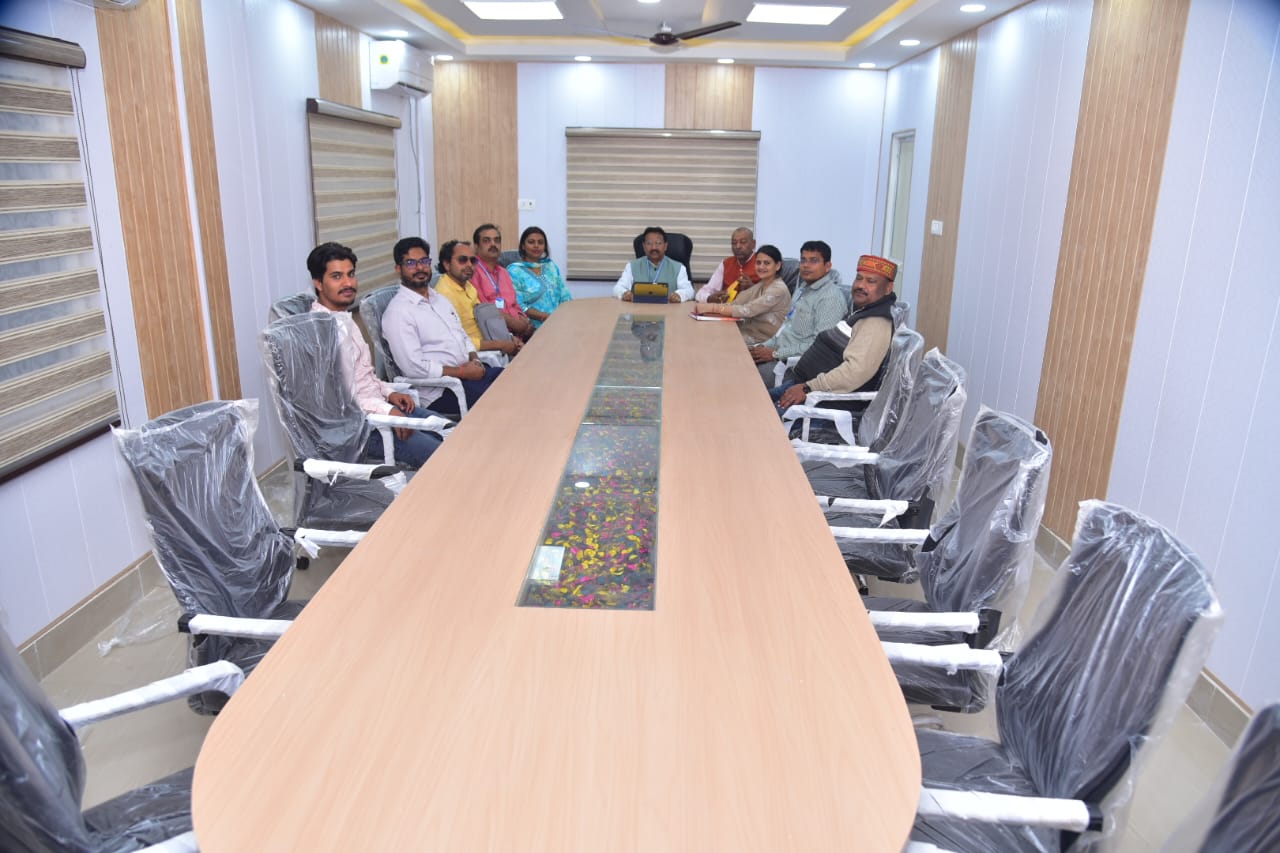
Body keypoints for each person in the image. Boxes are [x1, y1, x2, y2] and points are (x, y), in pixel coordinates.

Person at [305, 241, 442, 468]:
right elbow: (342, 399)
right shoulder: (323, 331)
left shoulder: (342, 318)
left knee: (449, 430)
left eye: (351, 274)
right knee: (442, 454)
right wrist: (388, 411)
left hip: (378, 409)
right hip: (359, 429)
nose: (348, 283)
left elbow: (362, 376)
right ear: (318, 283)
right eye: (337, 277)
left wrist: (389, 393)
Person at [381, 237, 503, 417]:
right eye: (411, 263)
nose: (420, 268)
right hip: (442, 391)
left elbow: (462, 336)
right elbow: (414, 367)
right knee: (504, 401)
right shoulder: (398, 313)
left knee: (516, 380)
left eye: (424, 261)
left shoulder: (440, 299)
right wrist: (463, 372)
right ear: (398, 269)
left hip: (469, 374)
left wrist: (475, 360)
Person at [770, 254, 899, 413]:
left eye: (871, 281)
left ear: (888, 288)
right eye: (859, 278)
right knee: (754, 401)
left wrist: (807, 388)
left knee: (756, 415)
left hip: (820, 402)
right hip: (804, 387)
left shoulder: (876, 322)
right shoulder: (865, 310)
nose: (861, 285)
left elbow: (855, 372)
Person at [749, 240, 849, 386]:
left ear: (827, 266)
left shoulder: (830, 298)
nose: (806, 265)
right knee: (738, 360)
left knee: (745, 377)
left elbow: (819, 346)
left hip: (795, 367)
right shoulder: (802, 289)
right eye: (803, 260)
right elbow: (784, 331)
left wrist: (775, 354)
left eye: (813, 261)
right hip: (778, 354)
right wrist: (761, 347)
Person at [434, 239, 522, 358]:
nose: (469, 265)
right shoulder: (443, 295)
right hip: (472, 356)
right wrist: (501, 344)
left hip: (491, 347)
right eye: (462, 260)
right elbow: (456, 341)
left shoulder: (468, 286)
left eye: (473, 260)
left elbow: (485, 320)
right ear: (447, 264)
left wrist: (509, 337)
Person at [692, 244, 791, 345]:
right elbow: (737, 303)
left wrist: (713, 308)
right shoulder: (761, 284)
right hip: (747, 332)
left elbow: (747, 310)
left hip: (764, 341)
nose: (761, 267)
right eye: (758, 262)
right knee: (709, 333)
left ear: (778, 266)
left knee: (716, 340)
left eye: (767, 263)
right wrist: (707, 309)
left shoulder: (778, 289)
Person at [472, 223, 535, 340]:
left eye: (497, 240)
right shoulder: (473, 272)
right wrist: (515, 324)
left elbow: (514, 304)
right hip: (496, 336)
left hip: (518, 332)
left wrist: (525, 321)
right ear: (476, 247)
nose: (493, 244)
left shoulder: (504, 272)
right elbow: (484, 310)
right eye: (486, 241)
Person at [506, 226, 573, 328]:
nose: (536, 246)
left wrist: (567, 316)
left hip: (560, 322)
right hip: (533, 327)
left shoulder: (551, 266)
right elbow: (518, 305)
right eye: (531, 242)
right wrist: (547, 317)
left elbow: (565, 295)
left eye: (540, 242)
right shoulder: (514, 271)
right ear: (523, 246)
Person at [613, 226, 693, 303]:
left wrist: (679, 295)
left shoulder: (679, 268)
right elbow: (617, 288)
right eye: (649, 243)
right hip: (639, 310)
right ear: (644, 246)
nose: (654, 247)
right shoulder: (632, 266)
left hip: (669, 310)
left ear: (665, 246)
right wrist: (624, 293)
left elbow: (689, 291)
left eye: (658, 243)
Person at [695, 227, 760, 303]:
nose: (738, 246)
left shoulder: (762, 263)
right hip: (726, 308)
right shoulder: (726, 264)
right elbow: (701, 293)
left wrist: (753, 288)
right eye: (734, 243)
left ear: (753, 244)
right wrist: (709, 298)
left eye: (743, 242)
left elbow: (770, 297)